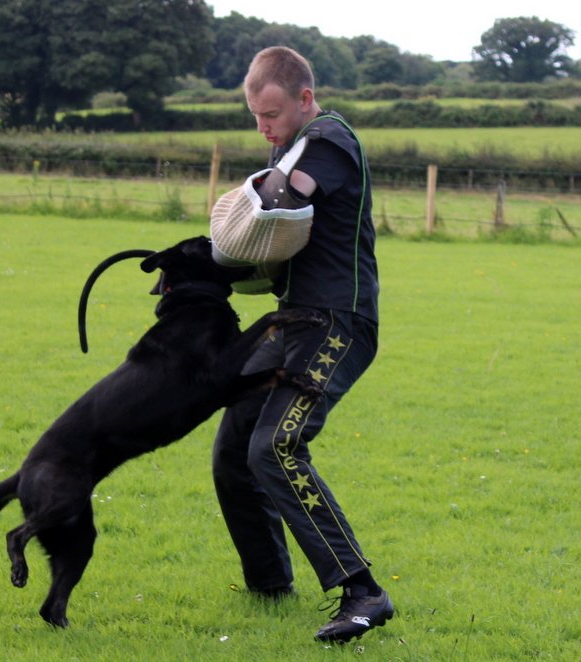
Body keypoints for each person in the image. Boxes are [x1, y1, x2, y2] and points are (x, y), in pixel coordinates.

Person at [210, 46, 393, 643]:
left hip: (339, 322)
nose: (263, 127)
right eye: (255, 117)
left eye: (271, 114)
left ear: (305, 99)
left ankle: (364, 591)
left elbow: (284, 202)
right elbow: (267, 239)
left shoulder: (329, 141)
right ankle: (268, 585)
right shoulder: (289, 146)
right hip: (294, 320)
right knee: (235, 442)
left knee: (276, 446)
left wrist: (228, 237)